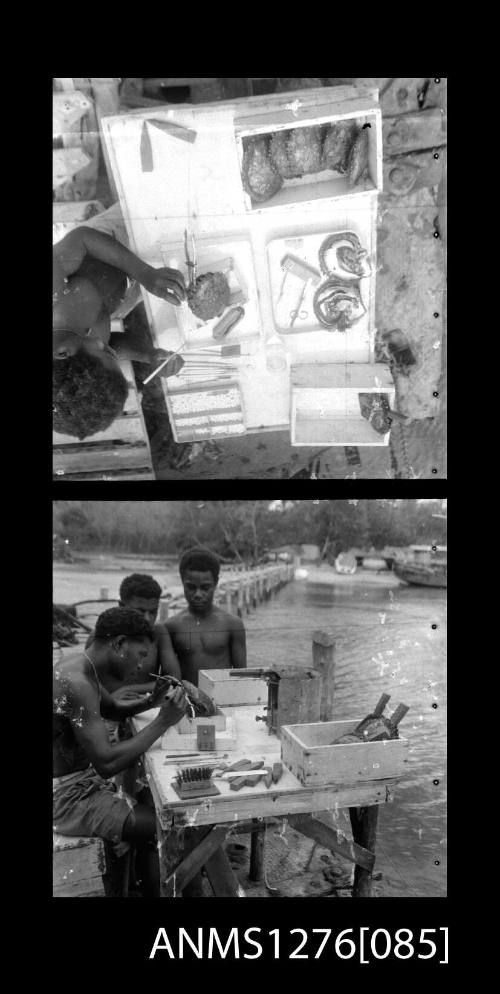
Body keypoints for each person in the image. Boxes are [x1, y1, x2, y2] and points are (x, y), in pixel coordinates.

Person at [53, 607, 187, 896]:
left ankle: (136, 879)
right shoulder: (76, 683)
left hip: (79, 781)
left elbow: (112, 708)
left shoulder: (80, 665)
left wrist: (152, 700)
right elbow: (107, 762)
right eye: (140, 655)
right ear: (119, 644)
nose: (141, 666)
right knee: (172, 824)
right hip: (67, 798)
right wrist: (164, 720)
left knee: (152, 802)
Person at [53, 203, 186, 439]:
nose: (101, 342)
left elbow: (83, 239)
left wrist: (145, 274)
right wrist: (148, 356)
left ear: (63, 352)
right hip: (129, 287)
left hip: (115, 236)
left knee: (164, 203)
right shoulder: (82, 350)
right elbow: (113, 343)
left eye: (104, 350)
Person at [167, 547, 247, 687]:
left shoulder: (232, 624)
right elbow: (169, 678)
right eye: (191, 587)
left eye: (205, 588)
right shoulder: (171, 626)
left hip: (221, 700)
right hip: (187, 701)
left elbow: (242, 676)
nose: (198, 594)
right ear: (182, 583)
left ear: (216, 584)